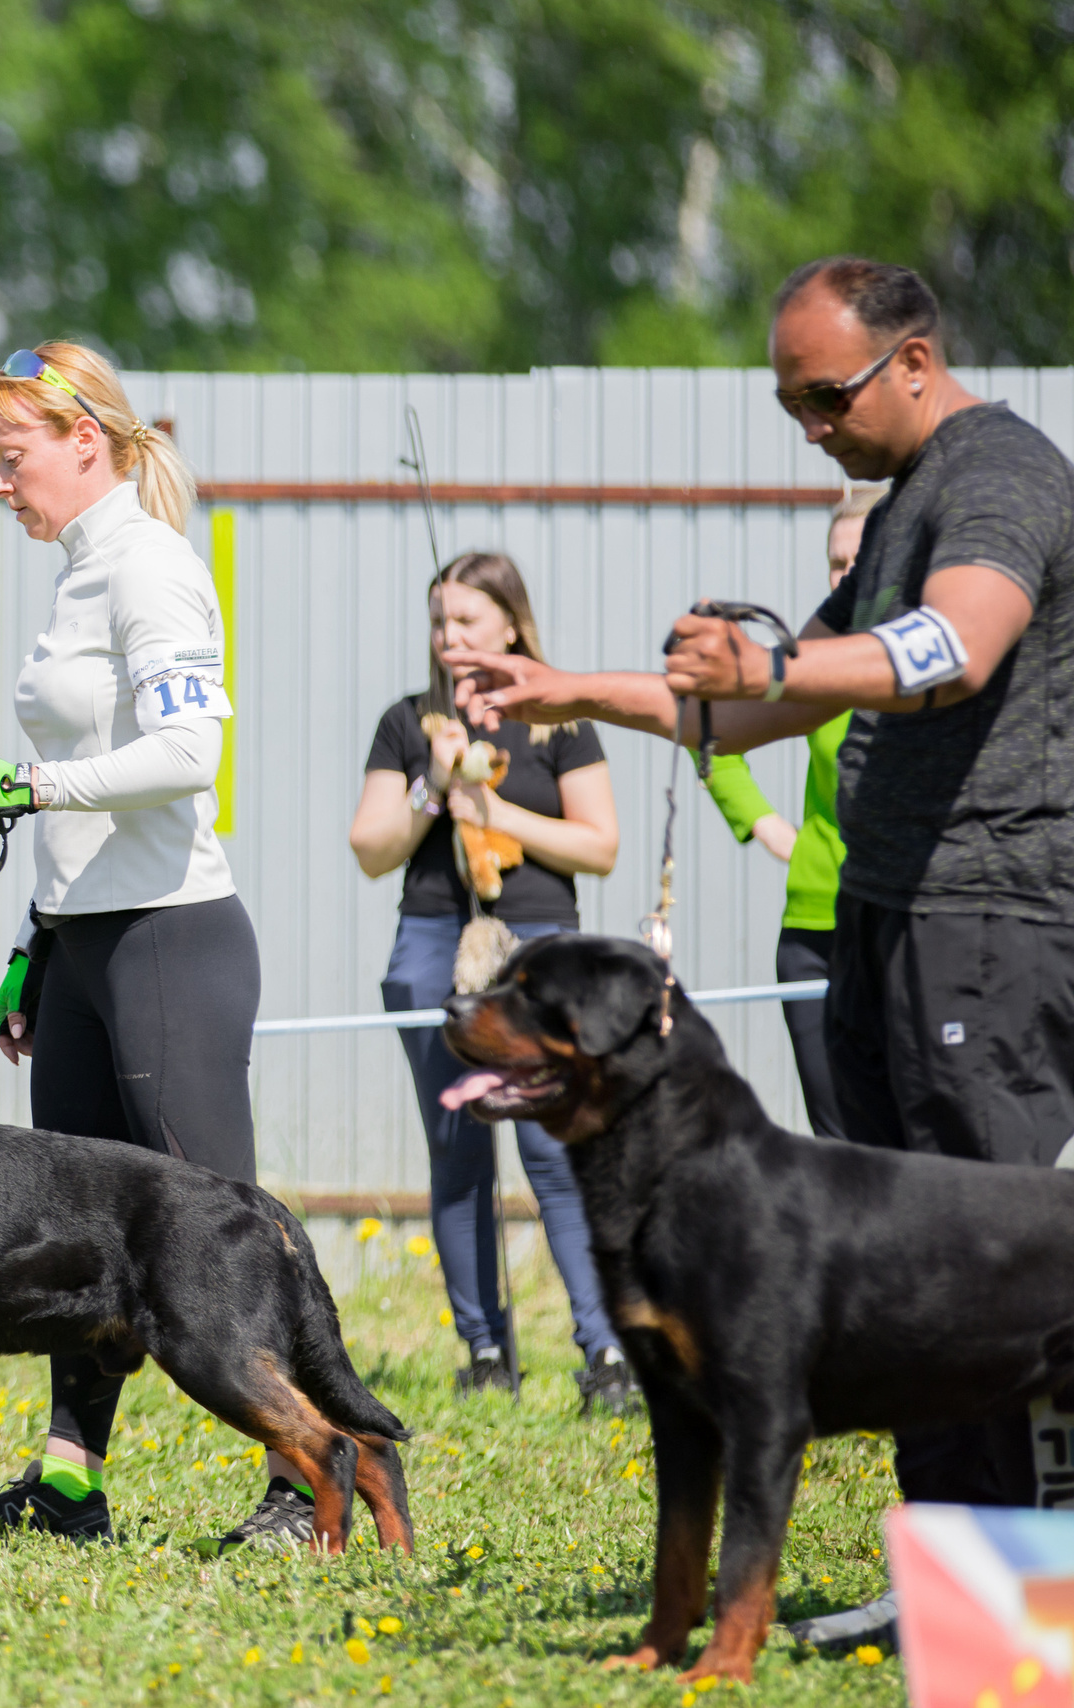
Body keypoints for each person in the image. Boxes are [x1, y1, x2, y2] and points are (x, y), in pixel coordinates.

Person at [445, 256, 1074, 1654]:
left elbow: (956, 649)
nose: (809, 427)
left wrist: (773, 669)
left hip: (992, 922)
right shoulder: (908, 496)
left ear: (915, 359)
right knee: (914, 1290)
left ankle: (1015, 1625)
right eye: (787, 403)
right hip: (893, 923)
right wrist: (570, 690)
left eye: (824, 395)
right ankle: (948, 1599)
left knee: (994, 1279)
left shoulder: (999, 477)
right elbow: (751, 715)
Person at [0, 342, 295, 1551]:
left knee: (215, 1221)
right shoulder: (78, 571)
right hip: (82, 948)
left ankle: (305, 1479)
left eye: (8, 457)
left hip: (169, 944)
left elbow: (190, 760)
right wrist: (35, 942)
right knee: (78, 1230)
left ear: (87, 440)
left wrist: (25, 787)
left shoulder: (152, 567)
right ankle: (70, 1486)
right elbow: (88, 799)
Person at [347, 553, 631, 1411]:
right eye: (439, 621)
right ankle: (482, 1350)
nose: (449, 638)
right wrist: (436, 785)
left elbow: (601, 844)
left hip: (541, 946)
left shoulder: (561, 724)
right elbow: (370, 849)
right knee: (460, 1150)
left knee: (557, 1148)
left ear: (511, 624)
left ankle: (605, 1354)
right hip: (436, 940)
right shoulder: (408, 723)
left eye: (466, 620)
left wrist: (496, 814)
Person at [696, 485, 883, 1142]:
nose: (847, 575)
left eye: (863, 557)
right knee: (840, 1146)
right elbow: (714, 736)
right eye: (836, 562)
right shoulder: (813, 659)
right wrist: (764, 824)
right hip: (814, 932)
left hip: (906, 931)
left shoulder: (940, 662)